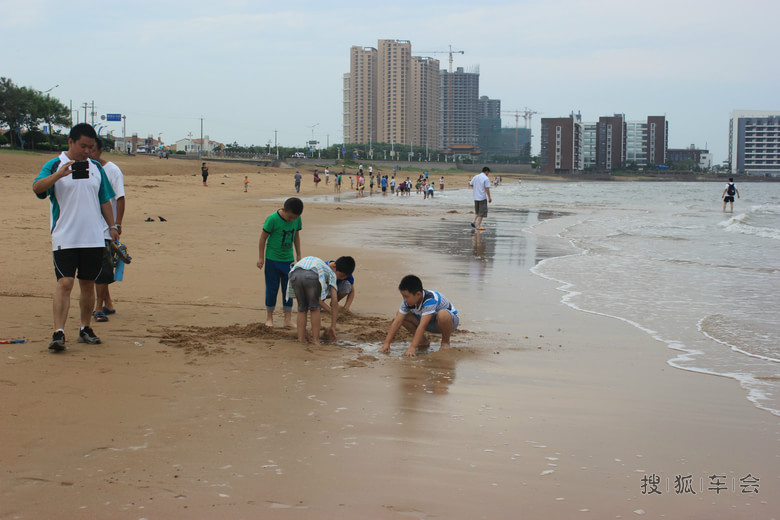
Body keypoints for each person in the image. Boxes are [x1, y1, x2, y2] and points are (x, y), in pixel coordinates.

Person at [33, 123, 120, 352]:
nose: (87, 151)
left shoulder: (96, 168)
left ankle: (85, 328)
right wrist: (58, 176)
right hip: (65, 236)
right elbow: (37, 189)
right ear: (70, 142)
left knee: (88, 283)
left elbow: (105, 200)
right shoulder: (54, 164)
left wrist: (113, 227)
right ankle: (58, 332)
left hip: (93, 236)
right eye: (83, 146)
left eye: (91, 147)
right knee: (65, 283)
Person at [89, 137, 125, 322]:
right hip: (88, 227)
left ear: (100, 150)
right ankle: (108, 303)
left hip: (105, 227)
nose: (89, 153)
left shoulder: (112, 171)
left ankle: (98, 307)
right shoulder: (84, 168)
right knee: (99, 268)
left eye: (92, 149)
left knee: (103, 268)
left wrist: (117, 224)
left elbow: (120, 198)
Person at [381, 275, 459, 357]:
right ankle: (422, 341)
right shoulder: (407, 303)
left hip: (447, 323)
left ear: (418, 294)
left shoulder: (430, 300)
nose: (404, 299)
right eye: (403, 296)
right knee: (401, 315)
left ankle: (445, 343)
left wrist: (412, 347)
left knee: (443, 314)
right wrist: (386, 343)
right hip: (427, 322)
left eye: (406, 296)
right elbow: (397, 322)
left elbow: (422, 325)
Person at [257, 197, 303, 328]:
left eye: (294, 218)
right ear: (284, 210)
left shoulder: (297, 218)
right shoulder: (272, 219)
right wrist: (261, 258)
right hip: (272, 259)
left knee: (288, 290)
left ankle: (287, 319)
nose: (292, 220)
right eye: (290, 217)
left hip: (288, 259)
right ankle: (269, 318)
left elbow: (296, 236)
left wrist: (298, 253)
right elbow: (263, 238)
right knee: (272, 288)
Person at [288, 256, 355, 345]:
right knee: (315, 308)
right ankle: (316, 341)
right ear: (334, 267)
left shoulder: (325, 265)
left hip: (295, 273)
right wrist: (333, 326)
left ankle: (301, 339)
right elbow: (334, 301)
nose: (341, 279)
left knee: (302, 309)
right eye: (341, 276)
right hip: (311, 275)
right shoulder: (331, 272)